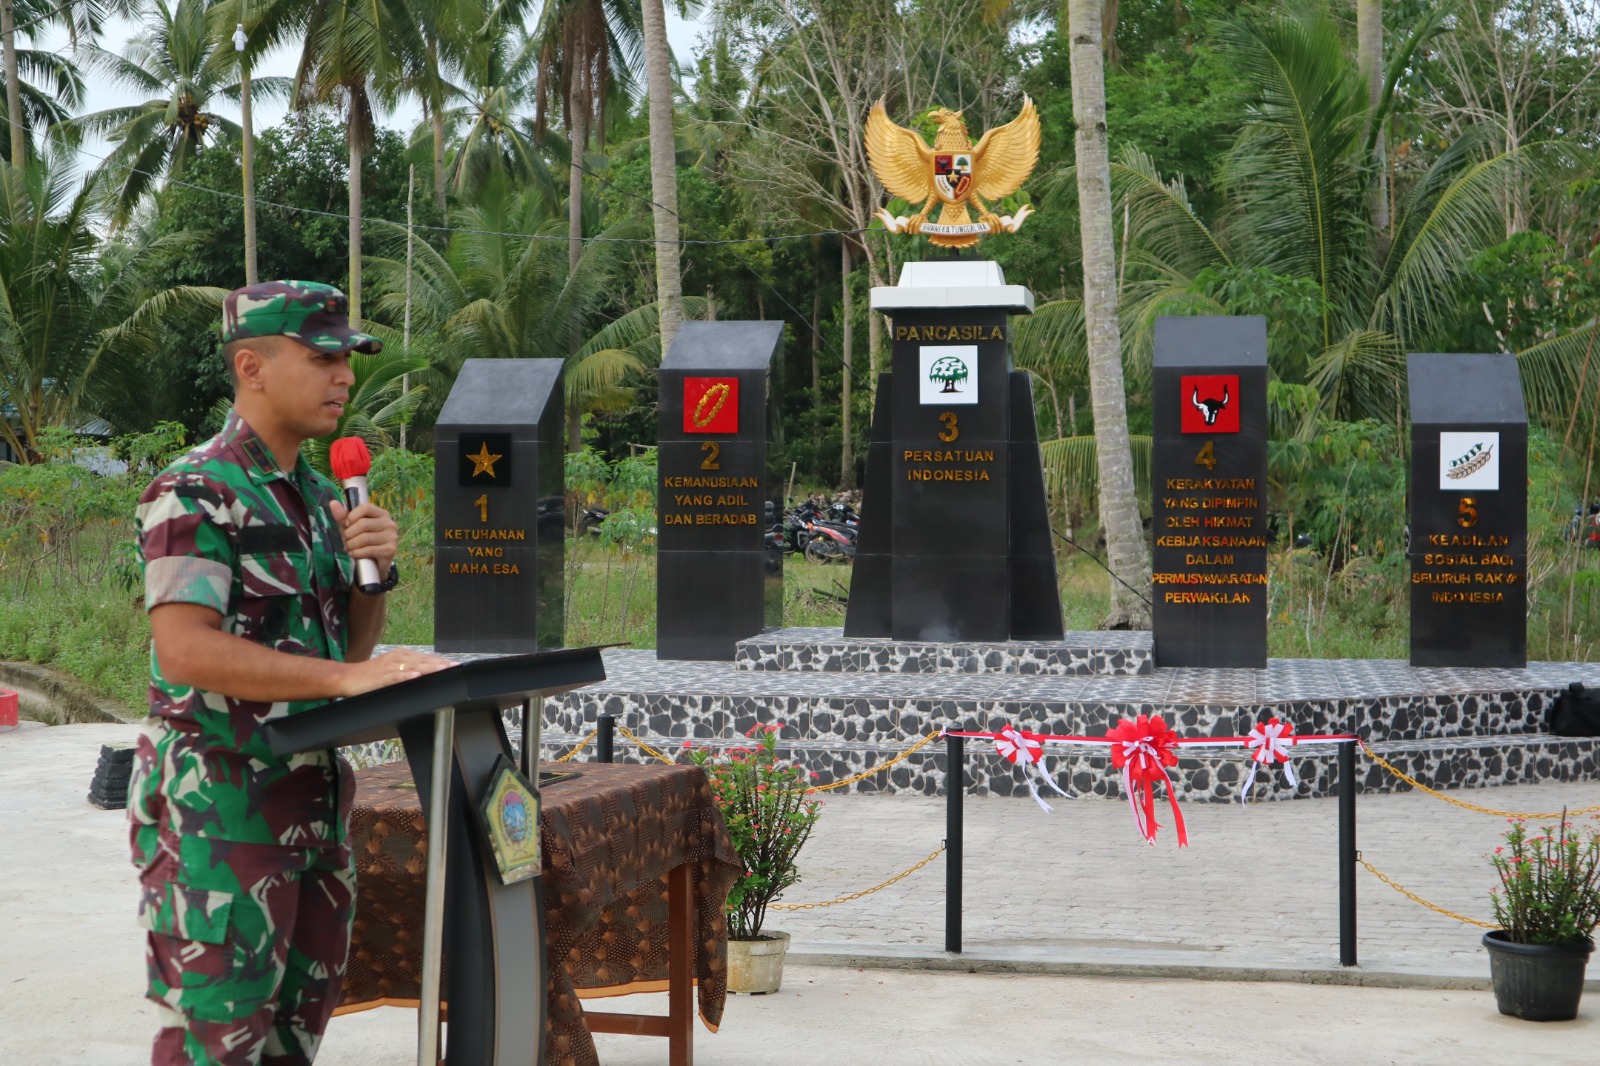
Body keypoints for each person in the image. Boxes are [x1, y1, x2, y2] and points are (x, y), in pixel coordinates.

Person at [126, 280, 451, 1066]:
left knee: (287, 1049)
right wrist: (348, 682)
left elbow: (347, 660)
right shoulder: (195, 490)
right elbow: (186, 650)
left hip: (313, 815)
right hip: (222, 818)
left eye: (348, 359)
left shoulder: (318, 496)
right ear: (253, 366)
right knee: (216, 1046)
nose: (345, 376)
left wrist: (373, 569)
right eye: (323, 358)